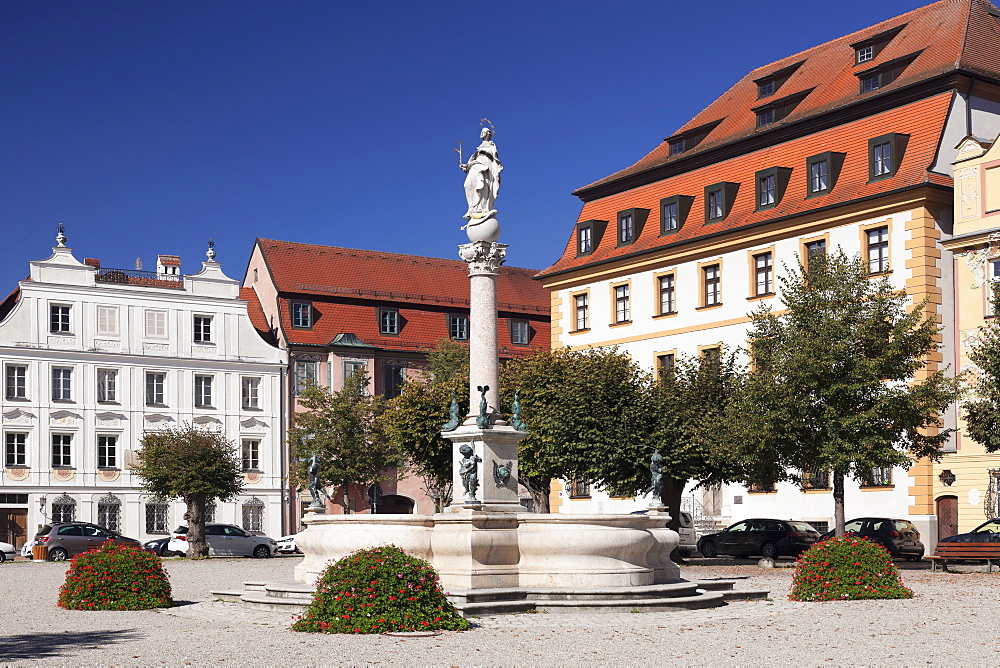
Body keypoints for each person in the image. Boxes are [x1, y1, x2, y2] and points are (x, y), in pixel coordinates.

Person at [460, 127, 502, 226]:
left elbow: (494, 155)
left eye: (484, 132)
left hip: (486, 165)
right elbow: (474, 160)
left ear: (488, 134)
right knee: (468, 184)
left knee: (484, 184)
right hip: (476, 165)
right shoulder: (479, 148)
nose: (482, 133)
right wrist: (467, 166)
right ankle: (473, 207)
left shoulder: (491, 146)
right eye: (481, 131)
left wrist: (485, 152)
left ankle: (483, 207)